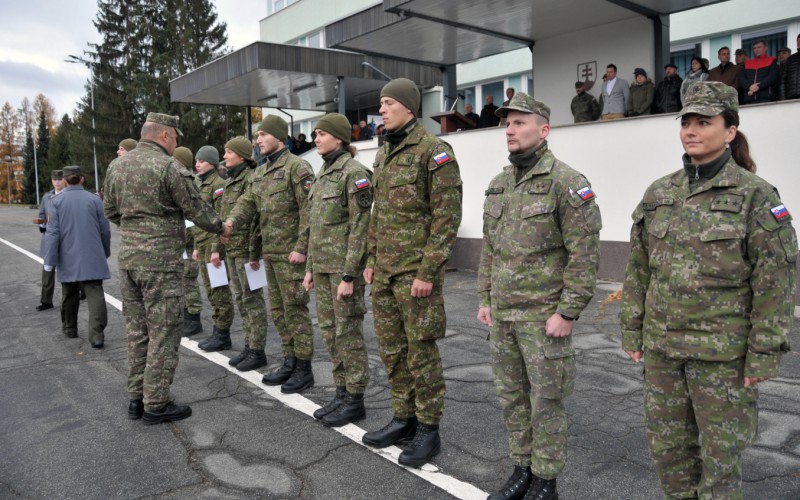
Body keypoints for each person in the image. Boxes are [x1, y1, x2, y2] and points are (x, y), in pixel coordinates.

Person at [620, 81, 796, 499]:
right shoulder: (660, 193)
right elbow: (640, 268)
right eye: (687, 122)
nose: (691, 131)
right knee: (668, 452)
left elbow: (774, 282)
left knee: (720, 461)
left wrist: (764, 352)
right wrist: (632, 329)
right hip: (663, 352)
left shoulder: (756, 197)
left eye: (704, 122)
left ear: (730, 131)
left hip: (722, 357)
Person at [478, 93, 601, 500]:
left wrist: (567, 311)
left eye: (519, 123)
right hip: (504, 316)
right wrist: (485, 299)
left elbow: (585, 254)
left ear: (543, 130)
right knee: (512, 398)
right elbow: (490, 248)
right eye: (507, 124)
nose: (510, 130)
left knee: (546, 402)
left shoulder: (567, 183)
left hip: (544, 317)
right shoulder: (499, 184)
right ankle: (522, 470)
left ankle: (545, 482)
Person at [361, 78, 463, 467]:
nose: (381, 110)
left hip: (414, 275)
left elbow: (446, 216)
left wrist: (428, 271)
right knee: (392, 351)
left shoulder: (434, 151)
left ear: (408, 107)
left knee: (421, 352)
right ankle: (403, 417)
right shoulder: (384, 153)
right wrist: (371, 260)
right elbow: (377, 213)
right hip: (385, 272)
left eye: (388, 103)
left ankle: (428, 428)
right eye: (380, 104)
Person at [104, 112, 224, 425]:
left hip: (129, 260)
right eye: (176, 137)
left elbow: (111, 212)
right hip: (160, 263)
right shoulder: (169, 167)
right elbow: (195, 209)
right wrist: (221, 226)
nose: (176, 143)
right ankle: (156, 403)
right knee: (164, 331)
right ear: (166, 135)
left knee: (137, 331)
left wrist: (136, 232)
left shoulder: (117, 165)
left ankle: (136, 398)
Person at [225, 115, 316, 393]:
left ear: (279, 136)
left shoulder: (297, 168)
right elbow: (246, 204)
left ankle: (304, 367)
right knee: (279, 311)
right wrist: (229, 224)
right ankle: (289, 360)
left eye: (263, 134)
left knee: (295, 311)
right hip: (271, 256)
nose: (258, 140)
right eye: (257, 136)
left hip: (292, 257)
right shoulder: (261, 173)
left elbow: (309, 211)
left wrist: (302, 248)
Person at [302, 113, 372, 427]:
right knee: (330, 334)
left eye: (321, 134)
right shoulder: (322, 174)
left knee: (348, 334)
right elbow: (315, 228)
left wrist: (349, 275)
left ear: (339, 138)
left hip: (343, 272)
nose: (316, 138)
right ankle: (341, 391)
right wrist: (309, 268)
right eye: (315, 134)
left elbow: (361, 228)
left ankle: (355, 398)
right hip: (322, 269)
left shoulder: (354, 173)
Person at [204, 137, 269, 372]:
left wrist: (254, 253)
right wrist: (216, 249)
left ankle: (258, 350)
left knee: (253, 301)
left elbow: (255, 220)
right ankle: (250, 345)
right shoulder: (230, 182)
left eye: (229, 152)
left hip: (247, 252)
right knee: (242, 299)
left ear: (242, 156)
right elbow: (221, 219)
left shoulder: (251, 180)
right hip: (233, 250)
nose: (225, 155)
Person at [43, 166, 111, 348]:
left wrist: (49, 261)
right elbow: (105, 230)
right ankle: (97, 335)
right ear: (82, 179)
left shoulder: (55, 202)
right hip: (92, 256)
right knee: (95, 294)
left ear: (64, 180)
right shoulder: (95, 200)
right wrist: (104, 252)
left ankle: (70, 328)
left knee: (69, 294)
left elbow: (53, 234)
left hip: (68, 256)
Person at [192, 146, 235, 350]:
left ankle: (223, 334)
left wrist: (216, 249)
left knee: (219, 291)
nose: (197, 164)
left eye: (201, 160)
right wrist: (196, 246)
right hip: (203, 244)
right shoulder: (201, 183)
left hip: (214, 246)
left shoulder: (218, 185)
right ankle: (218, 331)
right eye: (196, 161)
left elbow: (222, 218)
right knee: (211, 290)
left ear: (211, 162)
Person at [173, 146, 204, 337]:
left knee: (189, 280)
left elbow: (193, 217)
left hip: (189, 241)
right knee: (183, 281)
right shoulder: (180, 181)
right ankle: (186, 315)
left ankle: (194, 319)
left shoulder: (193, 183)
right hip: (181, 242)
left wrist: (187, 239)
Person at [33, 169, 64, 311]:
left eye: (60, 179)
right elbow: (42, 214)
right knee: (48, 267)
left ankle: (80, 292)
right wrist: (42, 225)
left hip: (66, 238)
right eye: (55, 179)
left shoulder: (68, 196)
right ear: (52, 180)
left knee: (71, 266)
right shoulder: (47, 197)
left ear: (65, 180)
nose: (57, 182)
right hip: (50, 238)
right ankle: (46, 300)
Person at [740, 39, 779, 104]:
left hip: (766, 98)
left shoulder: (772, 60)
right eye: (754, 48)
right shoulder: (747, 63)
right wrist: (749, 86)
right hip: (749, 99)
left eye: (759, 47)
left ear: (766, 48)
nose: (756, 50)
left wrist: (758, 86)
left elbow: (772, 78)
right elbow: (741, 79)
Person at [780, 34, 800, 100]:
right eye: (797, 41)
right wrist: (783, 99)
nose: (798, 43)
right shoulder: (791, 59)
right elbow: (783, 80)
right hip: (792, 98)